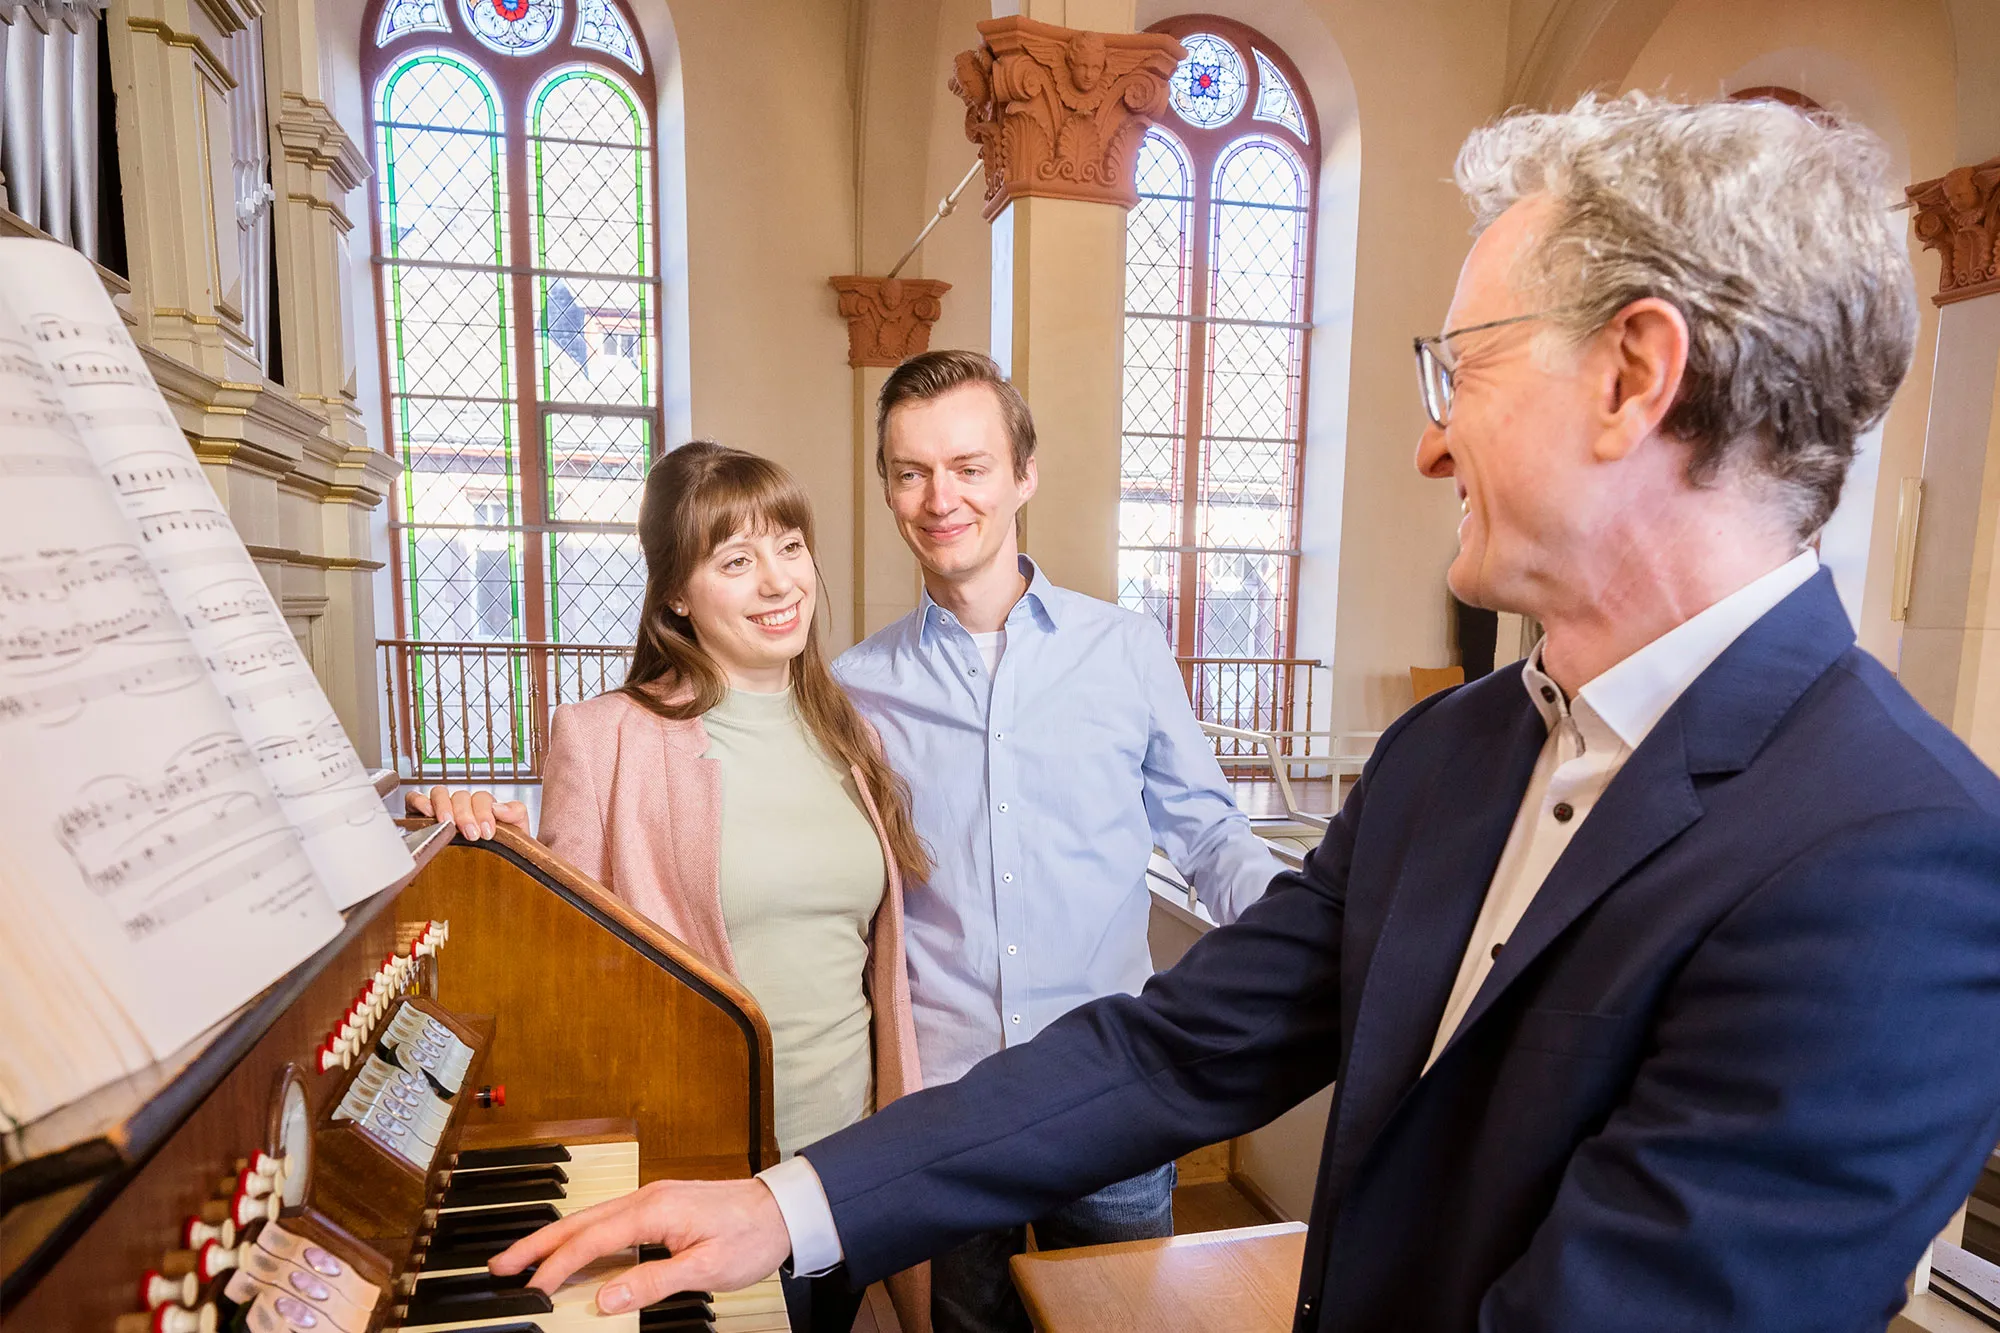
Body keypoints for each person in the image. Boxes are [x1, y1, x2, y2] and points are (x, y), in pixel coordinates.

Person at [489, 94, 2000, 1332]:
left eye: (1458, 369)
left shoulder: (1894, 856)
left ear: (1634, 376)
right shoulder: (1453, 756)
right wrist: (787, 1203)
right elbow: (1165, 1056)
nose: (1424, 441)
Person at [408, 441, 929, 1333]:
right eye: (737, 560)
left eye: (790, 547)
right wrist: (489, 844)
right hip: (708, 1170)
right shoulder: (607, 736)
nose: (778, 582)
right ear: (677, 593)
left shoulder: (854, 735)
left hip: (848, 1166)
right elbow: (563, 951)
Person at [826, 349, 1284, 1332]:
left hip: (1110, 1085)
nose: (939, 496)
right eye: (910, 472)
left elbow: (1207, 831)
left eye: (968, 465)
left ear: (1022, 474)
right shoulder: (852, 687)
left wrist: (1314, 920)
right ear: (886, 488)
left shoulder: (1122, 649)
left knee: (1120, 1321)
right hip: (945, 1104)